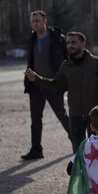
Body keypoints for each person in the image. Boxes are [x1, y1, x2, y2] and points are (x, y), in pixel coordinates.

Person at [26, 32, 98, 152]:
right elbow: (55, 84)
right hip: (75, 116)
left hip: (93, 115)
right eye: (68, 43)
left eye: (73, 42)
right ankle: (80, 171)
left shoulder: (95, 63)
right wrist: (37, 79)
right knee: (78, 153)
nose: (70, 45)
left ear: (83, 44)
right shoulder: (66, 65)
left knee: (97, 152)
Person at [22, 10, 70, 160]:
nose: (35, 23)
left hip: (53, 84)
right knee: (35, 118)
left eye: (37, 20)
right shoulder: (32, 38)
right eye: (32, 21)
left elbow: (66, 59)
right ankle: (36, 149)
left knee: (62, 115)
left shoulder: (57, 38)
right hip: (35, 85)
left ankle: (78, 142)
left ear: (45, 21)